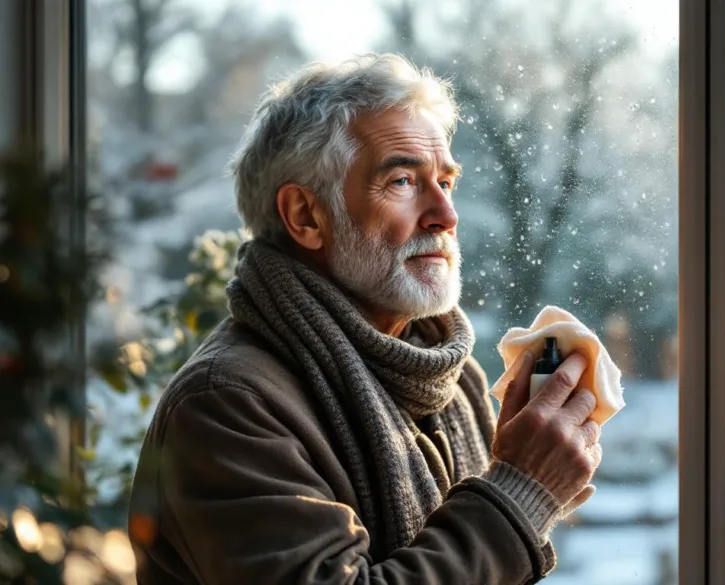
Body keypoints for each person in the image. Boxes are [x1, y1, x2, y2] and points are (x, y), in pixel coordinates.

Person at [127, 53, 603, 585]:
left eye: (445, 182)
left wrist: (545, 476)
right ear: (306, 216)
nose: (446, 215)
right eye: (402, 181)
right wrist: (521, 490)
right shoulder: (227, 404)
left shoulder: (451, 376)